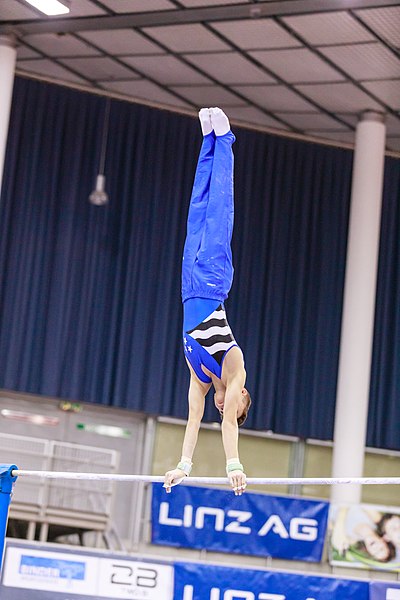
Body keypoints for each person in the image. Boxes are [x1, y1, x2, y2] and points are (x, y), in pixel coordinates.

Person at [164, 108, 251, 496]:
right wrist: (234, 465)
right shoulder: (235, 371)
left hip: (187, 285)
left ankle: (207, 141)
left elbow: (193, 422)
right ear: (241, 398)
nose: (226, 408)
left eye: (226, 408)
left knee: (196, 210)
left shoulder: (200, 382)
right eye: (234, 406)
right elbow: (228, 425)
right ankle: (226, 140)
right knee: (219, 210)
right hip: (214, 283)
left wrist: (183, 465)